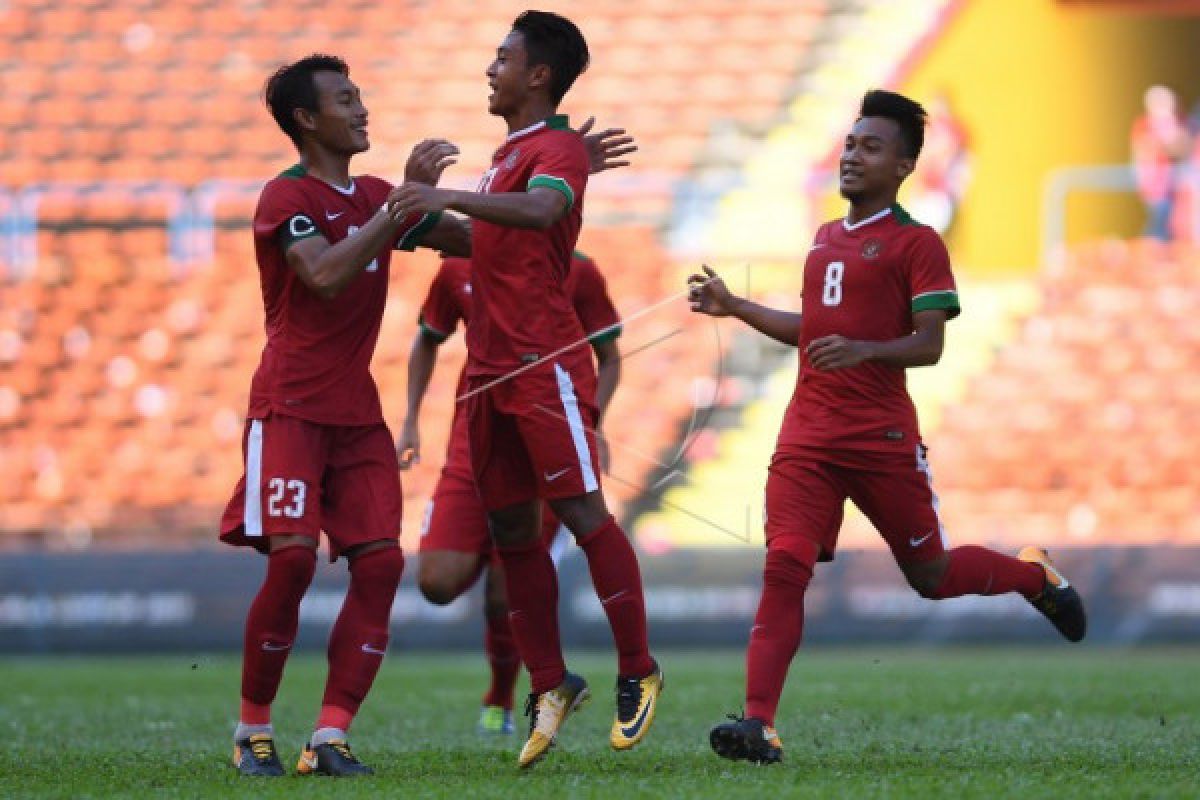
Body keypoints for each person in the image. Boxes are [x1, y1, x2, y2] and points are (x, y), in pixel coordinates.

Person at [687, 89, 1086, 765]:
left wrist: (868, 349)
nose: (852, 156)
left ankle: (1034, 579)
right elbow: (813, 331)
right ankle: (759, 724)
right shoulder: (822, 241)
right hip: (807, 436)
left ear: (903, 166)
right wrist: (737, 306)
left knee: (931, 575)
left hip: (881, 439)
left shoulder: (917, 243)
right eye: (849, 143)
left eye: (871, 147)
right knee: (783, 566)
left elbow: (929, 344)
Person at [390, 10, 662, 768]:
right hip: (486, 377)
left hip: (543, 365)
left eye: (501, 57)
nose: (490, 68)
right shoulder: (507, 156)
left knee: (580, 513)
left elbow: (543, 212)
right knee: (512, 538)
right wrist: (414, 205)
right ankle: (549, 681)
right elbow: (471, 239)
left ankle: (639, 668)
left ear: (537, 75)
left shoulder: (557, 149)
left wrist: (445, 202)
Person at [216, 54, 470, 777]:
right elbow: (324, 274)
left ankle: (329, 737)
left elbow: (482, 243)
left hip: (357, 414)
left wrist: (547, 197)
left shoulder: (381, 197)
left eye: (361, 96)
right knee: (293, 559)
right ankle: (251, 731)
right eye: (346, 99)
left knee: (382, 562)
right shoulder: (284, 196)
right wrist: (399, 211)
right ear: (306, 118)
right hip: (289, 407)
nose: (362, 110)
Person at [399, 251, 622, 736]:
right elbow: (428, 338)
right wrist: (411, 418)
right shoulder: (458, 267)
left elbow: (609, 358)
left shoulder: (577, 269)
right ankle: (490, 550)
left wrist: (592, 421)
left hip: (543, 446)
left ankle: (499, 699)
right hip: (471, 442)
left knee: (507, 591)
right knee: (437, 581)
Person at [1131, 85, 1190, 241]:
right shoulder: (1144, 126)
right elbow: (1146, 149)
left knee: (1168, 224)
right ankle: (1149, 249)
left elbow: (1183, 147)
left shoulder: (1175, 123)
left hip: (1173, 187)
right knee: (1160, 224)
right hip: (1156, 186)